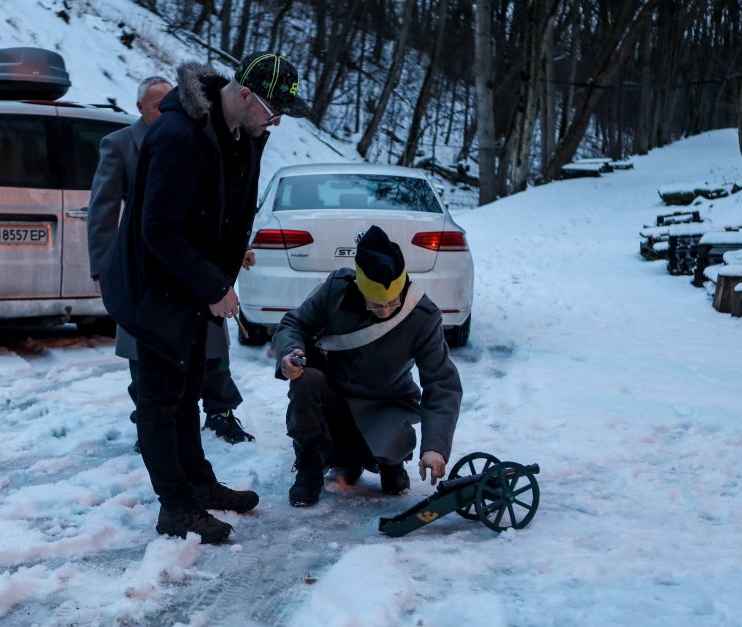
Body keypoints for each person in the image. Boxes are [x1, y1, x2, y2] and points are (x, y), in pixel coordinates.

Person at [101, 53, 310, 543]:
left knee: (189, 390)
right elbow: (159, 228)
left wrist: (221, 276)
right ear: (242, 95)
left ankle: (199, 484)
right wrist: (215, 286)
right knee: (158, 400)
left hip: (192, 288)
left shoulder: (245, 135)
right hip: (154, 289)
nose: (275, 120)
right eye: (271, 109)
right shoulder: (179, 136)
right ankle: (175, 506)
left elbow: (229, 214)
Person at [87, 76, 255, 449]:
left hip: (193, 273)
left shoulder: (200, 136)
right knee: (148, 358)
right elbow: (102, 210)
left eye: (169, 102)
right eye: (155, 105)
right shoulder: (120, 145)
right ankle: (151, 423)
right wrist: (101, 267)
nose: (165, 110)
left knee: (210, 349)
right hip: (146, 272)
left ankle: (220, 410)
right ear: (140, 108)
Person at [273, 225, 463, 507]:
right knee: (305, 381)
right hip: (335, 396)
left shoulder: (424, 315)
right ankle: (308, 468)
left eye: (392, 303)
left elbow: (442, 383)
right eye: (375, 305)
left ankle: (391, 462)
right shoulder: (336, 289)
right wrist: (290, 353)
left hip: (387, 401)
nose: (385, 311)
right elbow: (294, 324)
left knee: (391, 443)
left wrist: (435, 448)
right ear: (359, 287)